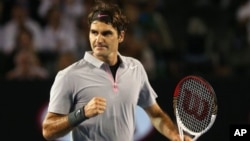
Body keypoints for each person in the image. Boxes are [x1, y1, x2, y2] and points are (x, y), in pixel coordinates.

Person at [42, 1, 192, 141]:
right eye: (94, 32)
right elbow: (48, 130)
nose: (98, 39)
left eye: (106, 33)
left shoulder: (136, 68)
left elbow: (156, 115)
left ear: (120, 36)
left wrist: (174, 135)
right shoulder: (68, 76)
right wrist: (82, 113)